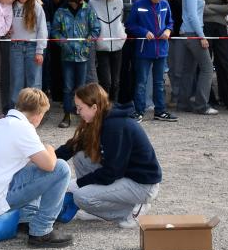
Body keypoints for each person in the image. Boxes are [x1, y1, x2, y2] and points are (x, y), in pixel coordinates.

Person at [0, 87, 73, 248]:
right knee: (61, 169)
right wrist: (50, 148)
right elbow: (50, 165)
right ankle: (41, 230)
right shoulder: (23, 129)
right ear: (39, 114)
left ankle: (26, 219)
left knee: (34, 166)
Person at [57, 83, 161, 228]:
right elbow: (73, 146)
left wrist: (78, 184)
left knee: (80, 196)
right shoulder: (100, 118)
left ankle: (132, 211)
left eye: (80, 108)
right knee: (81, 157)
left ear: (94, 107)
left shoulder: (114, 127)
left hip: (142, 185)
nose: (77, 112)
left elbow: (112, 172)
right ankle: (95, 209)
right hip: (125, 176)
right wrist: (47, 159)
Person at [52, 0, 101, 128]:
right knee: (67, 86)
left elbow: (96, 29)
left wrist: (87, 43)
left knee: (82, 86)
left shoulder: (88, 10)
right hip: (67, 56)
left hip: (83, 56)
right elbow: (54, 31)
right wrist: (63, 43)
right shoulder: (61, 12)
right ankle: (67, 114)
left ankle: (82, 115)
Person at [127, 0, 175, 122]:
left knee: (159, 82)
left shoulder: (165, 3)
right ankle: (139, 111)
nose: (157, 1)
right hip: (143, 50)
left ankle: (160, 111)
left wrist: (168, 30)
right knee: (141, 81)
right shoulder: (138, 4)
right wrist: (143, 31)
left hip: (161, 49)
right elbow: (130, 25)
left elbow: (170, 21)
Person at [10, 0, 48, 107]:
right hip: (16, 47)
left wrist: (40, 51)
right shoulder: (12, 5)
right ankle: (16, 109)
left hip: (33, 47)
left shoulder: (36, 7)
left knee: (34, 80)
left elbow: (42, 29)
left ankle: (35, 109)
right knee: (16, 80)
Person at [90, 0, 126, 101]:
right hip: (102, 47)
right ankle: (104, 107)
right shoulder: (92, 2)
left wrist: (122, 34)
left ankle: (114, 107)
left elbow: (121, 20)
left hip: (117, 45)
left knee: (116, 81)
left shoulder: (119, 1)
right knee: (106, 81)